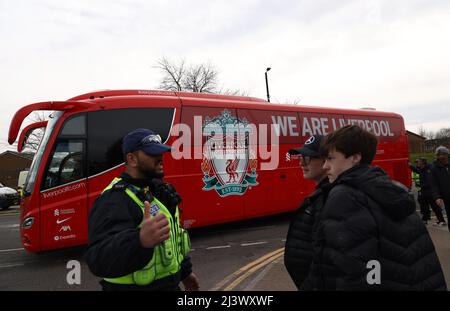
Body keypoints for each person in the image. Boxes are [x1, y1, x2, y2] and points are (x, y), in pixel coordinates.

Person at [302, 125, 446, 290]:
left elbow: (358, 271)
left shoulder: (345, 196)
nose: (325, 166)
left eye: (330, 158)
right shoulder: (393, 188)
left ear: (355, 157)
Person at [85, 128, 200, 291]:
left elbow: (175, 240)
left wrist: (185, 273)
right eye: (152, 153)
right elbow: (98, 259)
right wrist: (139, 240)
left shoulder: (161, 190)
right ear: (132, 159)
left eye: (161, 152)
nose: (160, 158)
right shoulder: (114, 199)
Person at [284, 135, 330, 290]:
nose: (301, 162)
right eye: (301, 156)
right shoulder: (321, 195)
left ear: (326, 160)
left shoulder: (329, 199)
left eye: (308, 157)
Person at [410, 158, 446, 226]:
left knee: (435, 207)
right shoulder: (422, 169)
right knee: (424, 206)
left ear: (422, 163)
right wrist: (410, 166)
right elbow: (417, 171)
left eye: (418, 162)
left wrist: (423, 185)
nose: (417, 163)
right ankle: (425, 220)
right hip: (424, 192)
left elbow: (429, 181)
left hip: (430, 192)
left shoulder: (429, 169)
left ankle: (442, 220)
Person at [430, 146, 450, 231]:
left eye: (443, 154)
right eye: (439, 155)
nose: (441, 156)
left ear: (447, 155)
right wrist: (437, 197)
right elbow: (434, 185)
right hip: (447, 198)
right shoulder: (434, 169)